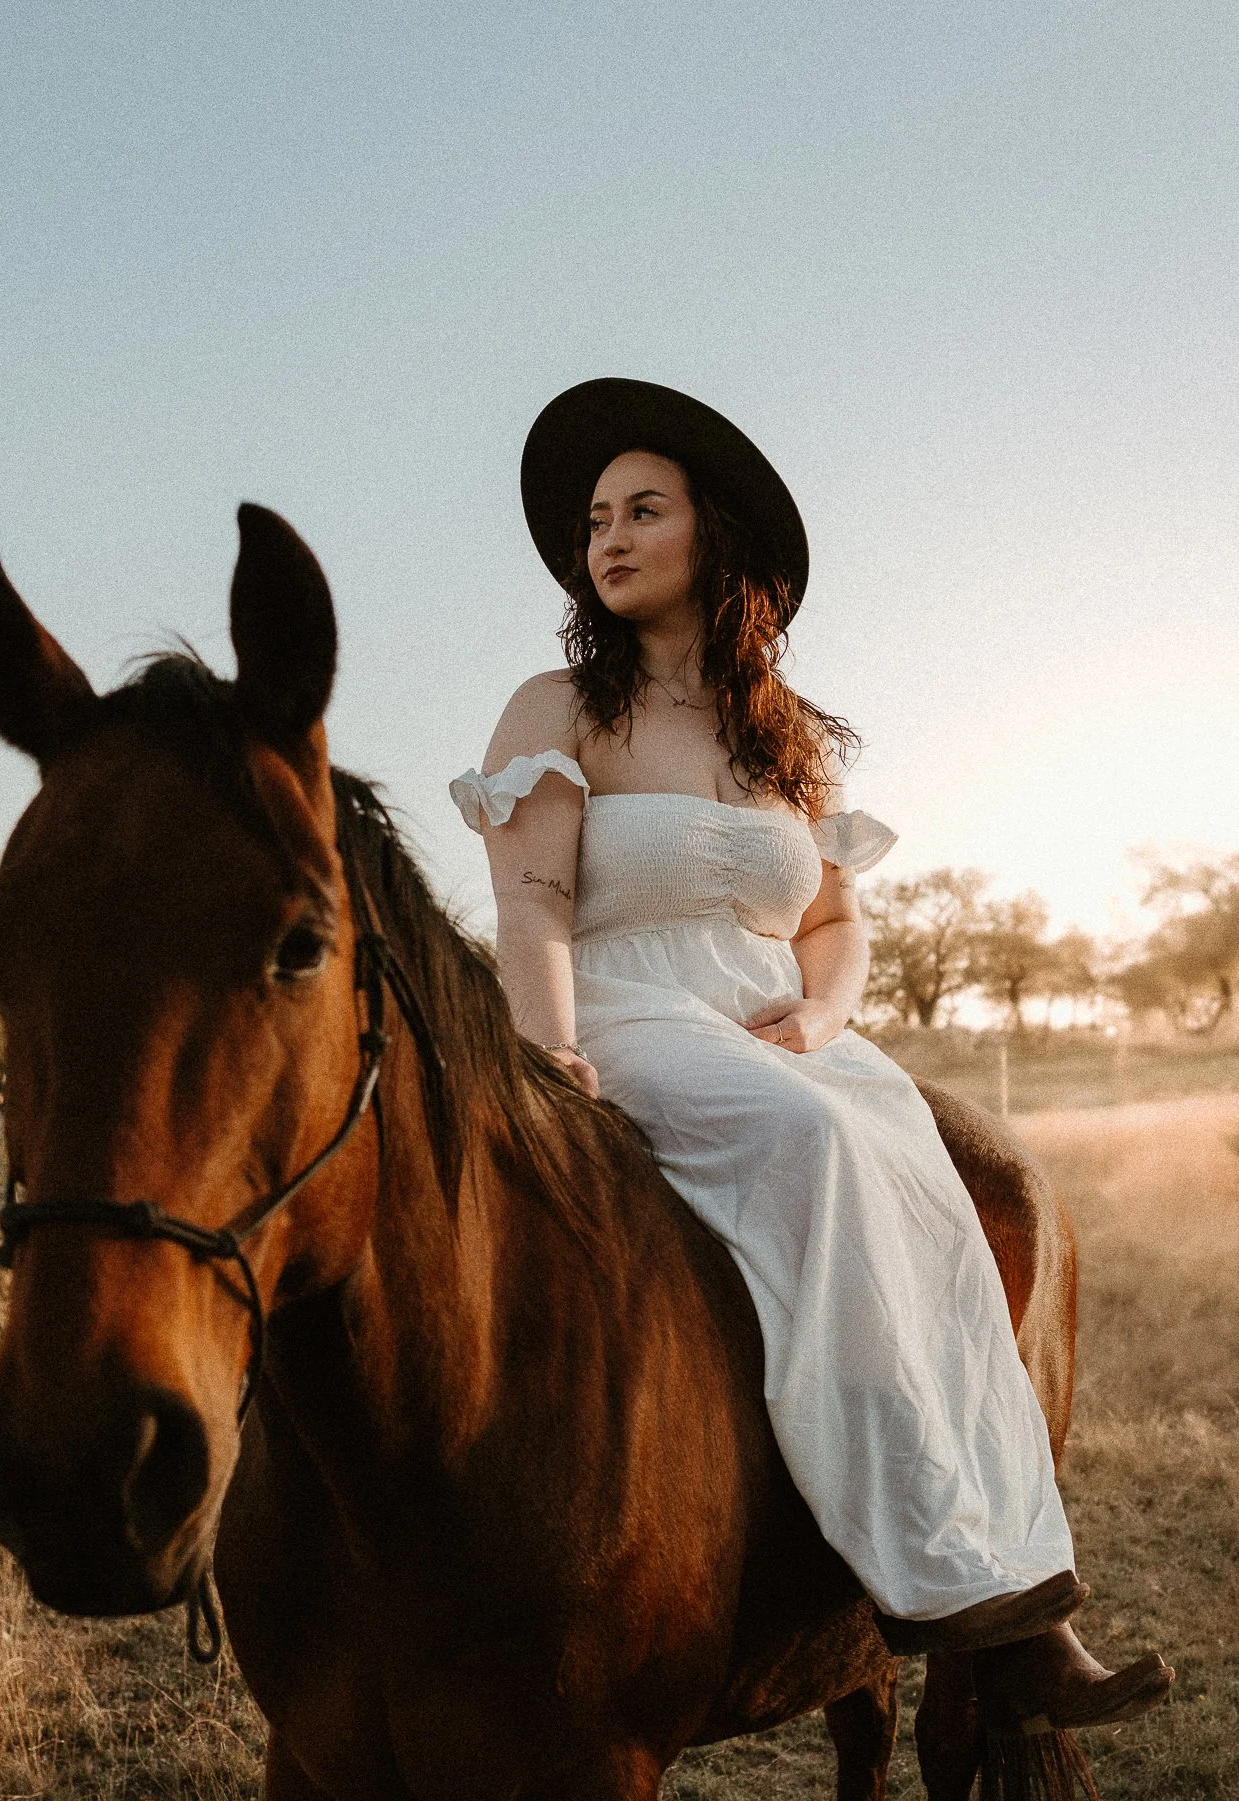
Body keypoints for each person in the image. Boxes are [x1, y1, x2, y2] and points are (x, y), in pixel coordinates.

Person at [450, 378, 1171, 1731]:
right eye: (596, 518)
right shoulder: (557, 708)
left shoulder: (786, 743)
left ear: (712, 538)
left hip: (776, 1029)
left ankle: (1021, 1603)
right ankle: (918, 1569)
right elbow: (533, 902)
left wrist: (825, 1018)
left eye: (643, 509)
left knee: (943, 1198)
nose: (608, 536)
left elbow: (837, 922)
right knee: (821, 1144)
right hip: (617, 1009)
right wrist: (551, 1051)